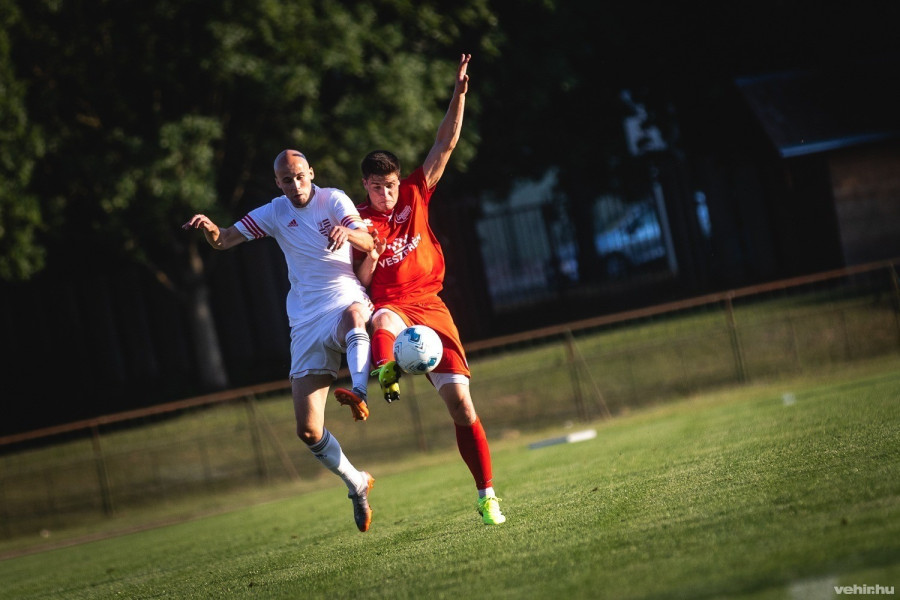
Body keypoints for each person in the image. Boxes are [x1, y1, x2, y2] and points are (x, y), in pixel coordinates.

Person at [341, 54, 506, 525]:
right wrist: (364, 248)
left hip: (430, 306)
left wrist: (459, 93)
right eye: (376, 187)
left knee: (462, 406)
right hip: (394, 305)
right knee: (381, 318)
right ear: (365, 187)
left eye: (389, 185)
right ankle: (387, 369)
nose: (385, 195)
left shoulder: (416, 190)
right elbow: (365, 283)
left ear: (398, 181)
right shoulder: (358, 219)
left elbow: (446, 142)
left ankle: (486, 493)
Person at [182, 149, 378, 532]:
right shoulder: (273, 211)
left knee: (356, 317)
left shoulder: (332, 199)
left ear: (311, 173)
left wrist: (349, 232)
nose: (296, 185)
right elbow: (224, 241)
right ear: (278, 182)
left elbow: (368, 242)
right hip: (305, 321)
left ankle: (360, 391)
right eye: (287, 180)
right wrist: (210, 229)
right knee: (308, 431)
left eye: (301, 176)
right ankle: (357, 483)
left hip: (342, 299)